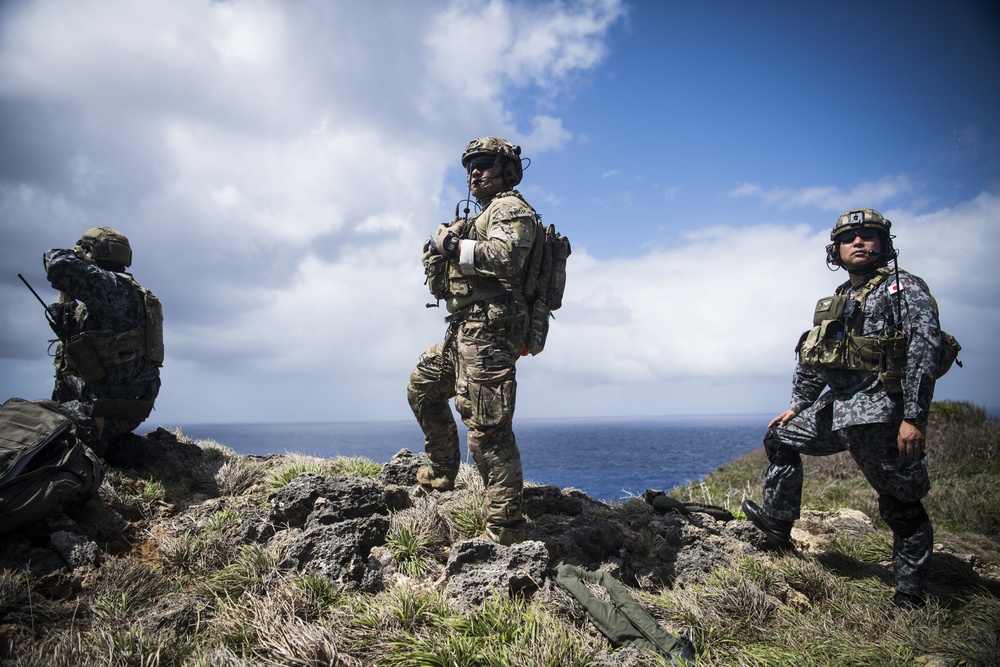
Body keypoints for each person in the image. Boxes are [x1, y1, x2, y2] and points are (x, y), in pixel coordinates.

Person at [741, 208, 941, 610]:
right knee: (779, 437)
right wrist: (798, 406)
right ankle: (779, 525)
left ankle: (909, 594)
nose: (860, 242)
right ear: (837, 250)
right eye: (851, 237)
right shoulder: (839, 299)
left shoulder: (903, 289)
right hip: (837, 412)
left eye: (869, 236)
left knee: (901, 505)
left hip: (881, 416)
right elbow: (819, 358)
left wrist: (913, 418)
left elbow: (924, 352)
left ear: (884, 245)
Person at [407, 137, 541, 546]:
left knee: (488, 429)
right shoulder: (481, 216)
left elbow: (507, 257)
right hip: (465, 327)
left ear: (507, 170)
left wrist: (451, 244)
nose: (474, 172)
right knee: (424, 388)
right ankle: (443, 471)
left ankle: (505, 530)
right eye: (470, 166)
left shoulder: (510, 209)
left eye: (483, 164)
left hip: (491, 329)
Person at [43, 227, 163, 465]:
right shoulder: (127, 291)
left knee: (25, 427)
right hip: (117, 406)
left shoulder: (109, 287)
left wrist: (77, 254)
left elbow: (57, 264)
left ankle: (104, 444)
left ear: (90, 252)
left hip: (102, 410)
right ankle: (112, 444)